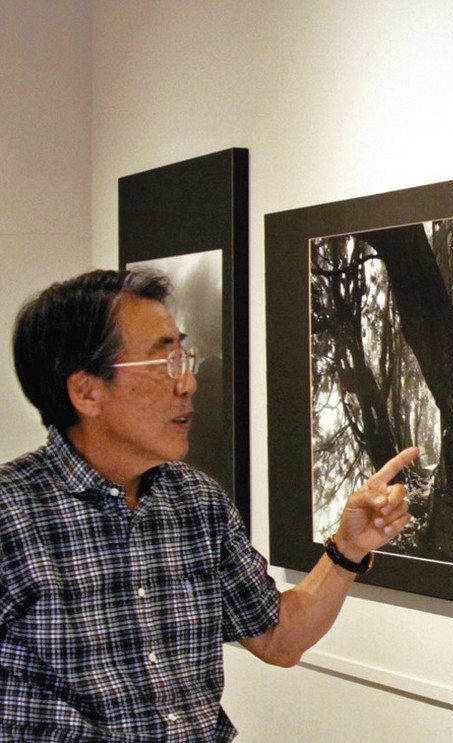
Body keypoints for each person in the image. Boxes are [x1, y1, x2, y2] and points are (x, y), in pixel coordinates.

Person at [0, 269, 417, 741]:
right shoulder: (13, 514)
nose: (189, 383)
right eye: (165, 363)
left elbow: (278, 641)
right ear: (87, 391)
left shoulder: (196, 502)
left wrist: (348, 547)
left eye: (185, 357)